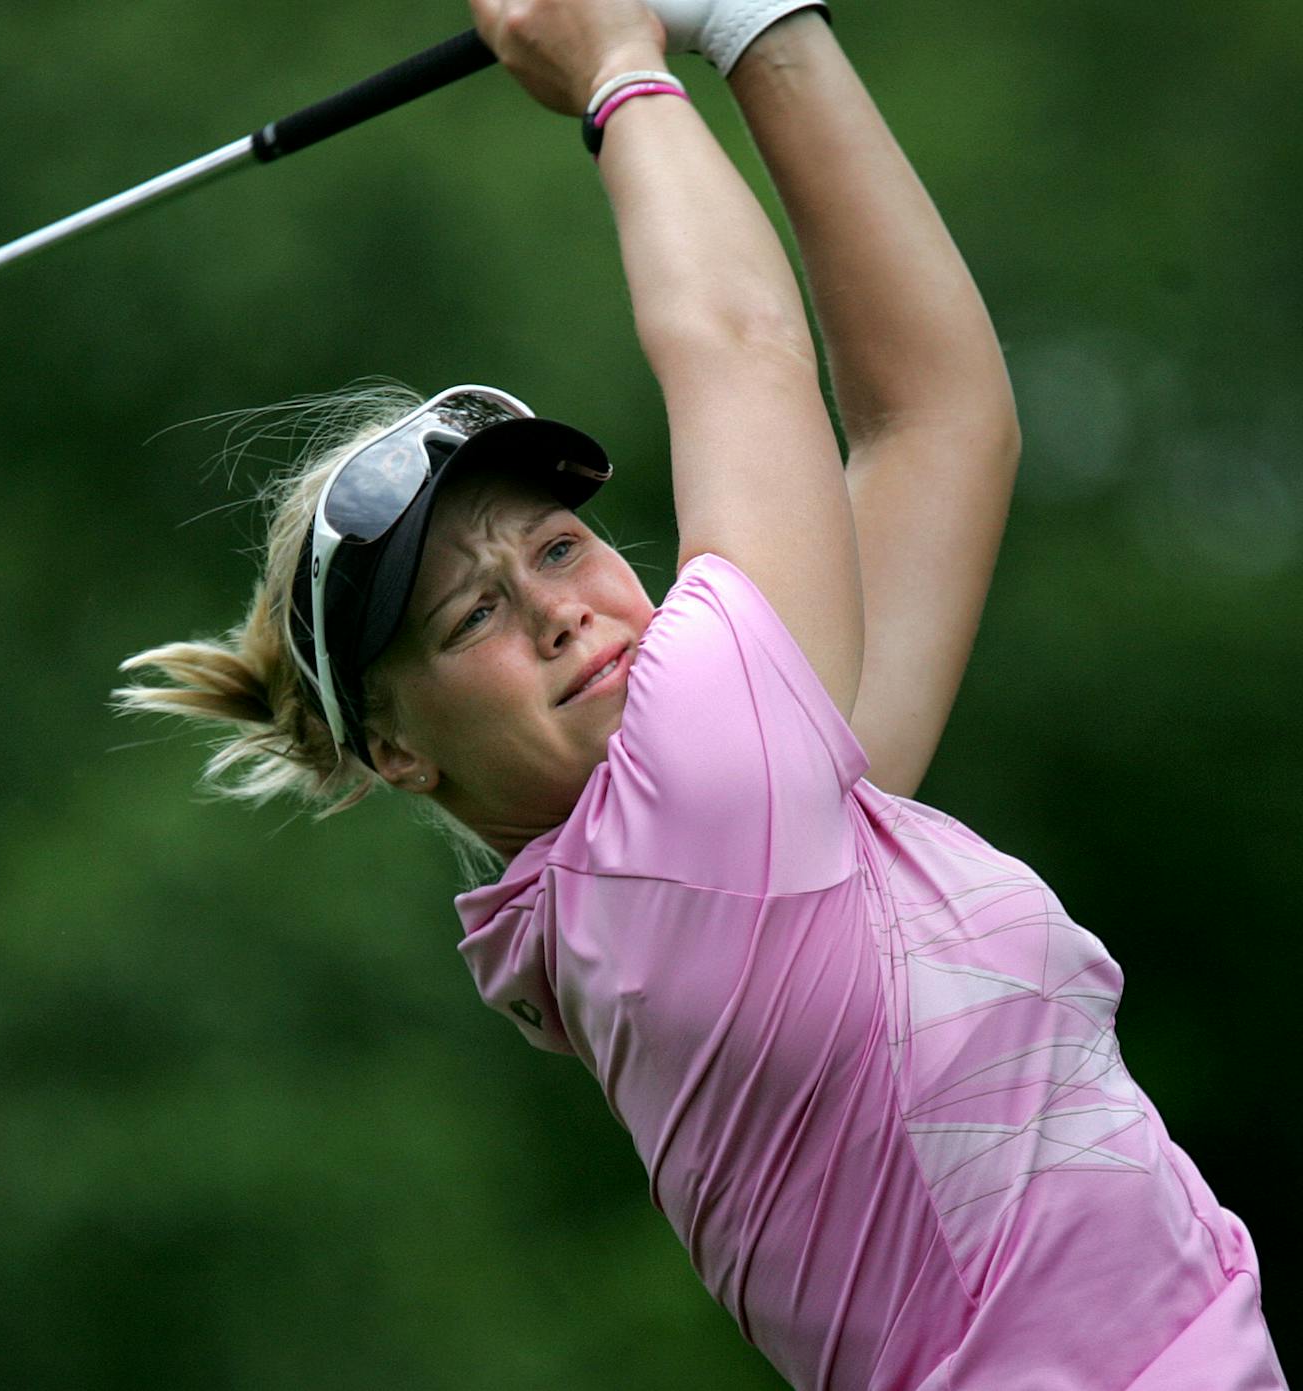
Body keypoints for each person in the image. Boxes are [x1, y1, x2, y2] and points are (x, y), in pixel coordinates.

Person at [115, 0, 1288, 1386]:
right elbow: (738, 344)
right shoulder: (678, 849)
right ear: (397, 752)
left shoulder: (758, 823)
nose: (557, 607)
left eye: (556, 544)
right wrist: (618, 69)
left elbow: (939, 417)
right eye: (473, 612)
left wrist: (755, 27)